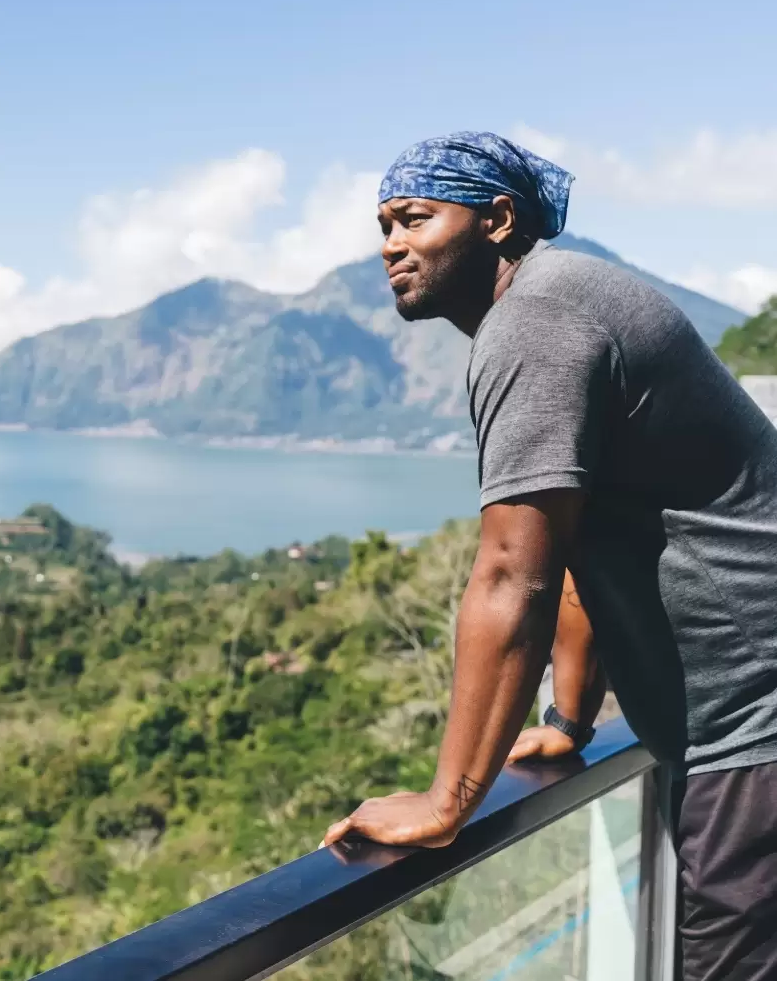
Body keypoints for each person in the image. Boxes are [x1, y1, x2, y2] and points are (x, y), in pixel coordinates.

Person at [321, 132, 777, 979]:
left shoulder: (536, 321)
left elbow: (513, 574)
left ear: (497, 219)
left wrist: (447, 800)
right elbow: (581, 545)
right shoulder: (562, 303)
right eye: (382, 224)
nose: (390, 243)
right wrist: (568, 720)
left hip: (756, 728)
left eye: (414, 219)